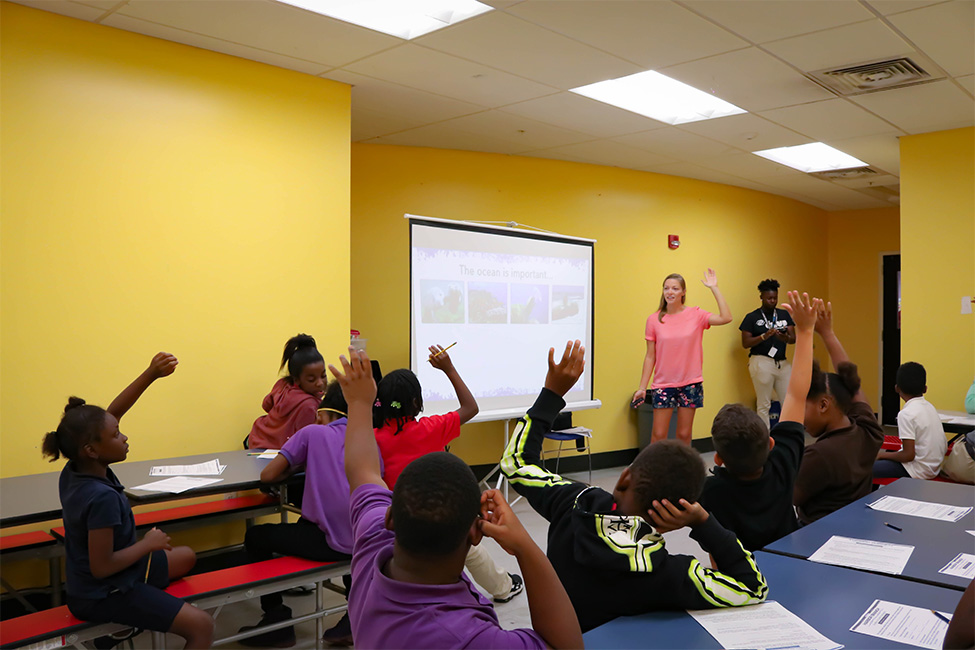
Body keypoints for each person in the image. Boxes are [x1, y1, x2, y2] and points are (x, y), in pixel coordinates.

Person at [328, 348, 583, 650]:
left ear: (390, 517)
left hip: (418, 524)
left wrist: (358, 402)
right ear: (477, 531)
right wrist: (525, 546)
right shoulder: (470, 639)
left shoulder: (371, 544)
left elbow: (362, 469)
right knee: (483, 567)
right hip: (449, 534)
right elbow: (566, 644)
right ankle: (503, 587)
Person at [505, 340, 767, 633]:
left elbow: (516, 462)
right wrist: (703, 521)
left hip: (557, 639)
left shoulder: (575, 502)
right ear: (678, 513)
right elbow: (752, 587)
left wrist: (551, 395)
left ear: (624, 478)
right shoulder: (668, 573)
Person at [42, 353, 214, 649]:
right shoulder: (101, 497)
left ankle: (132, 614)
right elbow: (101, 566)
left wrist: (151, 373)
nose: (123, 436)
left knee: (185, 556)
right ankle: (122, 620)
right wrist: (147, 544)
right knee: (202, 625)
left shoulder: (75, 469)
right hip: (104, 593)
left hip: (110, 576)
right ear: (92, 449)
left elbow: (110, 415)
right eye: (116, 434)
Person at [373, 344, 523, 604]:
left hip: (395, 516)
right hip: (439, 515)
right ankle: (503, 587)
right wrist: (449, 369)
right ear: (416, 403)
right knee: (469, 548)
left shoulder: (373, 436)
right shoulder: (431, 428)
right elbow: (470, 407)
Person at [238, 381, 358, 648]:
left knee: (256, 535)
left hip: (327, 542)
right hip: (364, 539)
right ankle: (355, 616)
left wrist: (296, 465)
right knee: (343, 525)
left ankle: (275, 618)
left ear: (322, 412)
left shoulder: (312, 433)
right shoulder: (367, 437)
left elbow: (268, 475)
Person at [701, 291, 819, 551]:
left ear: (718, 459)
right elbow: (796, 394)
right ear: (770, 443)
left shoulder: (711, 490)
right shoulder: (784, 463)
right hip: (789, 560)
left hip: (739, 577)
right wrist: (807, 331)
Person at [794, 302, 884, 525]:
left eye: (802, 406)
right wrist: (827, 333)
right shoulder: (868, 431)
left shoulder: (819, 455)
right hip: (856, 527)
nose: (798, 415)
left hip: (816, 537)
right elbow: (854, 387)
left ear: (824, 405)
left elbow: (786, 497)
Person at [633, 269, 733, 444]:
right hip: (663, 384)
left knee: (684, 434)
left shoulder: (696, 315)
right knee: (658, 435)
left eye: (675, 288)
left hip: (690, 383)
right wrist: (642, 387)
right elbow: (650, 356)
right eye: (666, 288)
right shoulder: (653, 320)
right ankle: (655, 470)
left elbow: (726, 317)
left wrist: (714, 288)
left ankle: (683, 470)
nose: (670, 292)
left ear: (683, 292)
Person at [246, 333, 326, 450]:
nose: (320, 383)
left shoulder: (283, 384)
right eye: (311, 379)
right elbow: (305, 444)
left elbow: (266, 405)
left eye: (323, 376)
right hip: (273, 451)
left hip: (256, 438)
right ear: (297, 380)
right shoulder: (309, 406)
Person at [739, 278, 796, 430]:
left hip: (782, 363)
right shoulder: (752, 317)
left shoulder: (783, 315)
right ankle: (765, 439)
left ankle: (788, 434)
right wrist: (764, 336)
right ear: (761, 297)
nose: (772, 301)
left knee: (789, 401)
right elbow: (745, 343)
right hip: (761, 361)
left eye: (775, 298)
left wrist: (783, 337)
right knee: (764, 403)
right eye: (769, 298)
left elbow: (793, 339)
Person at [874, 362, 947, 479]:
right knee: (887, 454)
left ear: (897, 388)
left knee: (866, 468)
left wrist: (882, 455)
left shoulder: (906, 414)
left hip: (916, 471)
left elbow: (908, 455)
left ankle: (871, 497)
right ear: (925, 389)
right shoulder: (930, 407)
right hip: (933, 468)